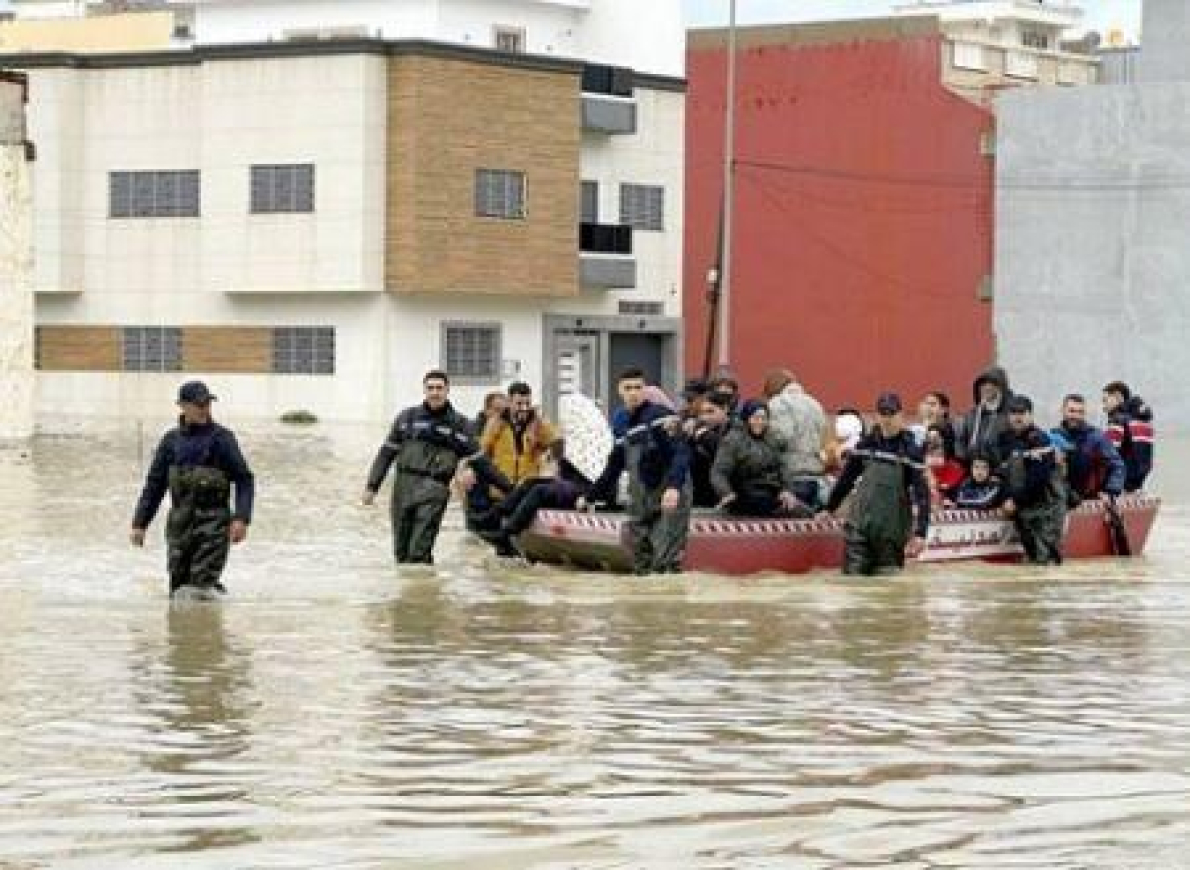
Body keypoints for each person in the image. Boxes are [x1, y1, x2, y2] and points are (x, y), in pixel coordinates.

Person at [130, 381, 255, 599]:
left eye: (208, 403)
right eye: (199, 405)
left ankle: (210, 610)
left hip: (214, 528)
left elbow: (244, 480)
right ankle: (213, 609)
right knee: (178, 591)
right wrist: (140, 524)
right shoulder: (170, 442)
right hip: (179, 530)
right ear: (182, 406)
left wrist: (241, 518)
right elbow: (154, 486)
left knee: (197, 590)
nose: (205, 409)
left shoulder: (223, 439)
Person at [582, 368, 692, 575]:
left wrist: (674, 487)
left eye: (638, 387)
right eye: (628, 388)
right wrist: (590, 496)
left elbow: (680, 452)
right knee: (640, 562)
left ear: (645, 389)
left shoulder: (661, 415)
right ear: (619, 391)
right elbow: (614, 465)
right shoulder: (620, 421)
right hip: (641, 496)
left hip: (669, 493)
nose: (633, 393)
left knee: (664, 562)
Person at [363, 370, 476, 565]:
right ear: (424, 390)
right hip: (403, 487)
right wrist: (372, 486)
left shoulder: (461, 424)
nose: (435, 393)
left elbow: (477, 458)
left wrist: (469, 468)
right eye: (430, 388)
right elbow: (386, 454)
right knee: (401, 552)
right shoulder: (406, 418)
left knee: (419, 551)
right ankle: (415, 583)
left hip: (435, 487)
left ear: (447, 390)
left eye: (439, 388)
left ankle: (422, 580)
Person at [820, 392, 930, 576]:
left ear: (900, 416)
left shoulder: (911, 451)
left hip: (891, 534)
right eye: (883, 413)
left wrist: (921, 533)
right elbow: (846, 480)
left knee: (888, 585)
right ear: (877, 416)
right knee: (852, 582)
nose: (887, 419)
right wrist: (829, 508)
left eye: (891, 414)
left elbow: (922, 495)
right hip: (859, 528)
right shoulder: (865, 446)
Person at [997, 394, 1066, 566]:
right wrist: (1005, 498)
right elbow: (1003, 473)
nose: (1017, 417)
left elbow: (1039, 478)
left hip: (1044, 510)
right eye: (1013, 413)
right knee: (1031, 558)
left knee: (1046, 560)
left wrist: (1015, 501)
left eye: (1022, 413)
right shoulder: (1005, 439)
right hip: (1021, 510)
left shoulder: (1040, 439)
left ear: (1030, 415)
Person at [478, 456, 592, 558]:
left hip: (582, 487)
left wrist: (587, 498)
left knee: (539, 490)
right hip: (566, 481)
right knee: (529, 482)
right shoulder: (574, 448)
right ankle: (495, 515)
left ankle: (506, 533)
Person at [710, 399, 807, 518]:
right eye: (756, 418)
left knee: (803, 495)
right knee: (763, 502)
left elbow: (782, 468)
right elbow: (719, 472)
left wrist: (787, 490)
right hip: (745, 492)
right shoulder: (733, 440)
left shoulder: (771, 439)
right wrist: (726, 493)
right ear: (747, 418)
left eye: (763, 418)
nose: (760, 422)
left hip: (771, 490)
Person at [763, 369, 829, 510]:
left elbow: (781, 437)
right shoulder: (815, 403)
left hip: (791, 477)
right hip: (814, 477)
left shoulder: (778, 403)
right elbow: (824, 435)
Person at [1054, 393, 1125, 504]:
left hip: (1089, 498)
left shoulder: (1097, 437)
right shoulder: (1053, 436)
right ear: (1062, 410)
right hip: (1061, 497)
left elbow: (1118, 465)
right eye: (1072, 411)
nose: (1076, 416)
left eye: (1080, 412)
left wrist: (1111, 491)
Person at [954, 366, 1014, 465]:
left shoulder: (1011, 414)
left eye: (993, 384)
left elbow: (1013, 446)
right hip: (973, 468)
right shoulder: (972, 414)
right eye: (983, 384)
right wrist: (964, 461)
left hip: (999, 469)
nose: (987, 387)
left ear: (1002, 387)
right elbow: (961, 440)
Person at [1102, 381, 1155, 492]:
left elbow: (1106, 456)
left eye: (1105, 400)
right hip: (1137, 484)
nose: (1103, 407)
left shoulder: (1118, 420)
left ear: (1118, 396)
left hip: (1118, 484)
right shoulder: (1145, 422)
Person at [689, 394, 731, 509]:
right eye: (702, 413)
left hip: (727, 497)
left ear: (725, 409)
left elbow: (725, 454)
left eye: (710, 411)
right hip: (701, 498)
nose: (705, 417)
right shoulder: (700, 429)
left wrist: (706, 437)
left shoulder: (736, 428)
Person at [924, 424, 965, 507]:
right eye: (929, 438)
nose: (933, 441)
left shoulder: (955, 467)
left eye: (936, 437)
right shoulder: (921, 469)